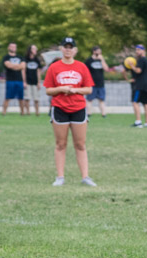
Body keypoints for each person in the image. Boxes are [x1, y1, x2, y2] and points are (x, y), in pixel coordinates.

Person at [43, 37, 97, 187]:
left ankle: (85, 176)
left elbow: (89, 88)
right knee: (61, 144)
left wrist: (75, 90)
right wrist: (61, 89)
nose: (68, 49)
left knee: (80, 144)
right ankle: (60, 177)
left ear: (75, 50)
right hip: (60, 108)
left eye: (71, 47)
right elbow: (48, 90)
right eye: (65, 47)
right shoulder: (54, 67)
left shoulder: (81, 67)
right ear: (61, 49)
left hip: (78, 108)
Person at [129, 44, 147, 128]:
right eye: (136, 50)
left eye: (139, 50)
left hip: (140, 85)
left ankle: (138, 122)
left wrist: (132, 66)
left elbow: (138, 70)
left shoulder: (141, 60)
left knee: (135, 102)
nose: (137, 51)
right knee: (146, 103)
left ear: (143, 50)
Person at [85, 45, 109, 118]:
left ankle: (103, 114)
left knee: (101, 100)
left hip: (100, 84)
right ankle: (88, 113)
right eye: (98, 51)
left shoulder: (101, 60)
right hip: (91, 84)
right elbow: (85, 71)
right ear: (94, 51)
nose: (99, 52)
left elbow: (106, 69)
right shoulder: (89, 60)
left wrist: (102, 60)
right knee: (90, 99)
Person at [2, 42, 25, 115]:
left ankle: (22, 113)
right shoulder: (6, 57)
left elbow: (23, 66)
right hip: (10, 80)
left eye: (14, 47)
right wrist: (18, 66)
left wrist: (13, 66)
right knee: (7, 97)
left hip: (19, 80)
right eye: (11, 47)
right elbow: (8, 65)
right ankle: (4, 112)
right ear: (8, 48)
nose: (13, 48)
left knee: (21, 98)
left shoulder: (20, 57)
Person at [23, 45, 43, 116]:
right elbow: (23, 71)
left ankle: (37, 113)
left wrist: (38, 82)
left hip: (35, 82)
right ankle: (28, 113)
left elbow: (38, 72)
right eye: (34, 49)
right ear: (30, 50)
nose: (36, 50)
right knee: (27, 98)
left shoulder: (37, 60)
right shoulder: (25, 59)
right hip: (27, 81)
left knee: (36, 98)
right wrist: (24, 82)